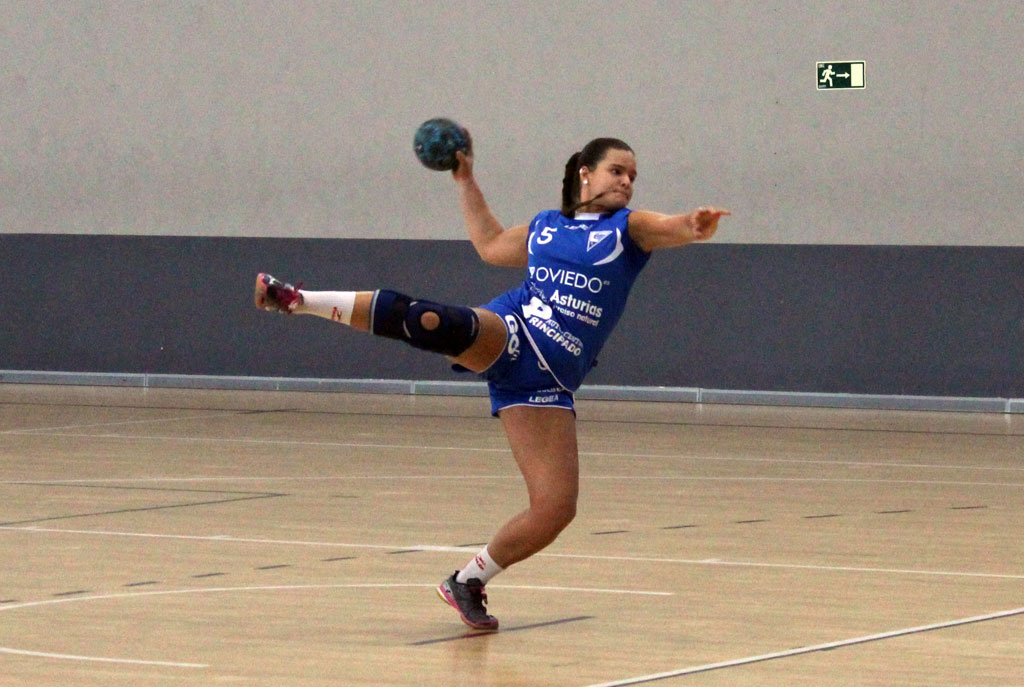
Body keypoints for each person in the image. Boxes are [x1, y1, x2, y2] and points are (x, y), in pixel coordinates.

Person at [254, 132, 729, 631]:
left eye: (633, 175)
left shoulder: (627, 230)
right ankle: (298, 300)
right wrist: (465, 180)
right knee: (435, 323)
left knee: (555, 510)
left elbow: (671, 227)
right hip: (518, 331)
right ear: (585, 174)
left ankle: (467, 580)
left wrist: (693, 225)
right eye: (617, 171)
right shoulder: (545, 228)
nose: (627, 181)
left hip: (549, 381)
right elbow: (489, 244)